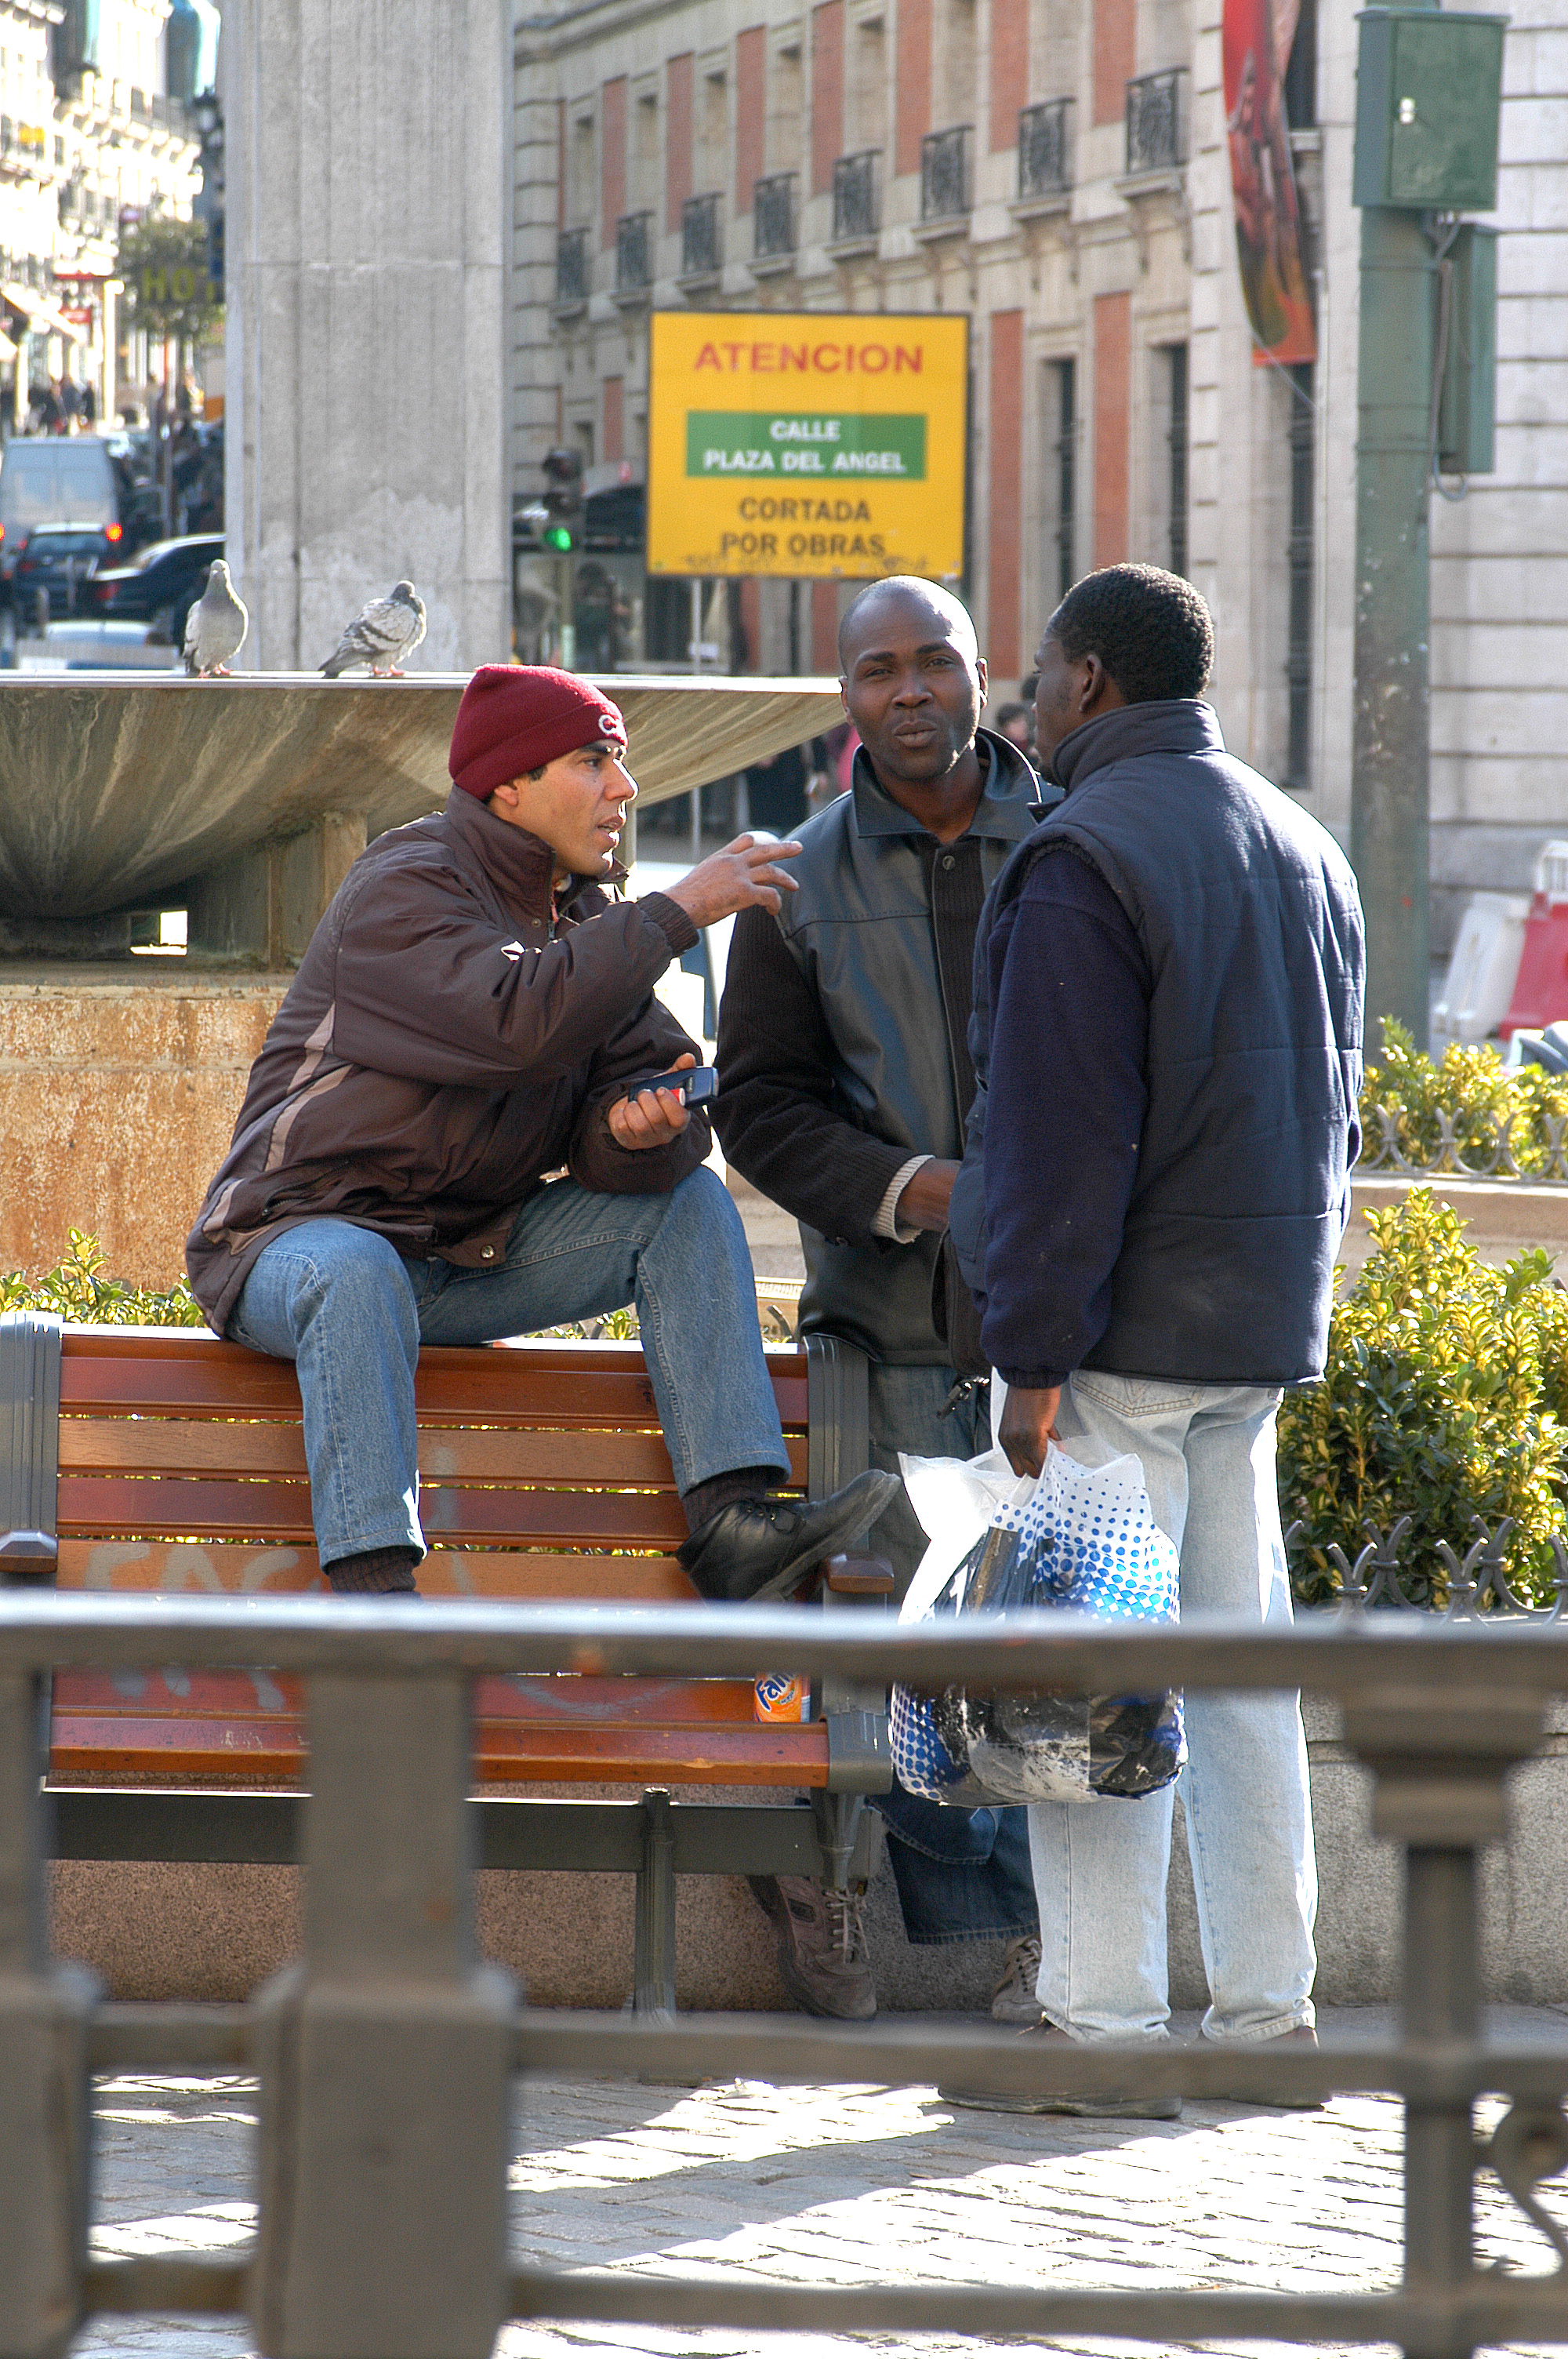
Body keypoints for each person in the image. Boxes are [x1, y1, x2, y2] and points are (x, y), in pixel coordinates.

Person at [186, 664, 895, 1601]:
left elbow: (635, 1102)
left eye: (621, 761)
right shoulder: (405, 881)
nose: (623, 788)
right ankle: (376, 1606)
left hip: (455, 1260)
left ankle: (736, 1521)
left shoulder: (587, 921)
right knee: (354, 1272)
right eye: (592, 760)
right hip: (293, 1245)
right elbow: (511, 1023)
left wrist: (638, 1133)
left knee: (683, 1205)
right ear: (507, 786)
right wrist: (681, 909)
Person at [944, 564, 1364, 2117]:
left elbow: (1058, 1144)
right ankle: (1270, 2022)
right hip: (1253, 1333)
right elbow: (1329, 1111)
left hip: (1113, 1343)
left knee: (1087, 1676)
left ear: (1094, 684)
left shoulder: (1081, 856)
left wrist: (1031, 1359)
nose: (1027, 704)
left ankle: (1099, 2029)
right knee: (1241, 1674)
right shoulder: (1302, 842)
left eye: (1041, 677)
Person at [716, 576, 1047, 2024]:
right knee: (903, 1638)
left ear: (990, 674)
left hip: (1070, 1332)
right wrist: (919, 1185)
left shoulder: (1080, 843)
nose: (907, 689)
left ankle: (1055, 1939)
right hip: (891, 1326)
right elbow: (764, 1113)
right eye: (876, 670)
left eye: (933, 662)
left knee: (1060, 1635)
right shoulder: (793, 886)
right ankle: (831, 1869)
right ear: (843, 694)